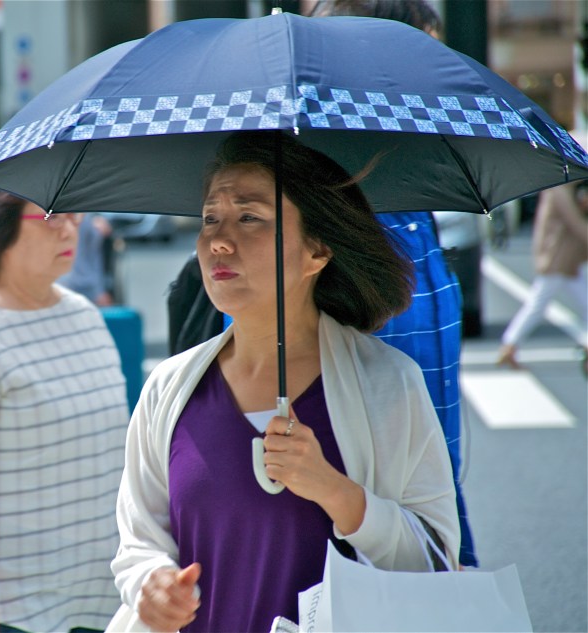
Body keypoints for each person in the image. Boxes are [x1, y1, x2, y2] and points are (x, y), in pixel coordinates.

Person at [111, 131, 459, 632]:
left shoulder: (387, 382)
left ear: (316, 251)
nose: (219, 240)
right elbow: (137, 543)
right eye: (210, 218)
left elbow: (434, 560)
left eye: (249, 217)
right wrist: (152, 583)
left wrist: (337, 492)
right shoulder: (168, 388)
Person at [308, 0, 478, 566]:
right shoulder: (314, 213)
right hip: (343, 534)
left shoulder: (412, 201)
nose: (439, 79)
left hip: (428, 506)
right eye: (425, 56)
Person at [0, 188, 128, 633]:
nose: (69, 226)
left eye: (73, 214)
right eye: (51, 216)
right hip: (14, 603)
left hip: (99, 590)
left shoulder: (85, 316)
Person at [497, 179, 588, 373]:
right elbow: (574, 221)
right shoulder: (559, 189)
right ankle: (509, 345)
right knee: (538, 304)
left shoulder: (568, 188)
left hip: (568, 258)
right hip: (557, 258)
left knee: (542, 303)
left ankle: (510, 345)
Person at [58, 212, 116, 306]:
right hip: (66, 283)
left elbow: (95, 255)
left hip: (88, 284)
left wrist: (100, 290)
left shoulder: (90, 220)